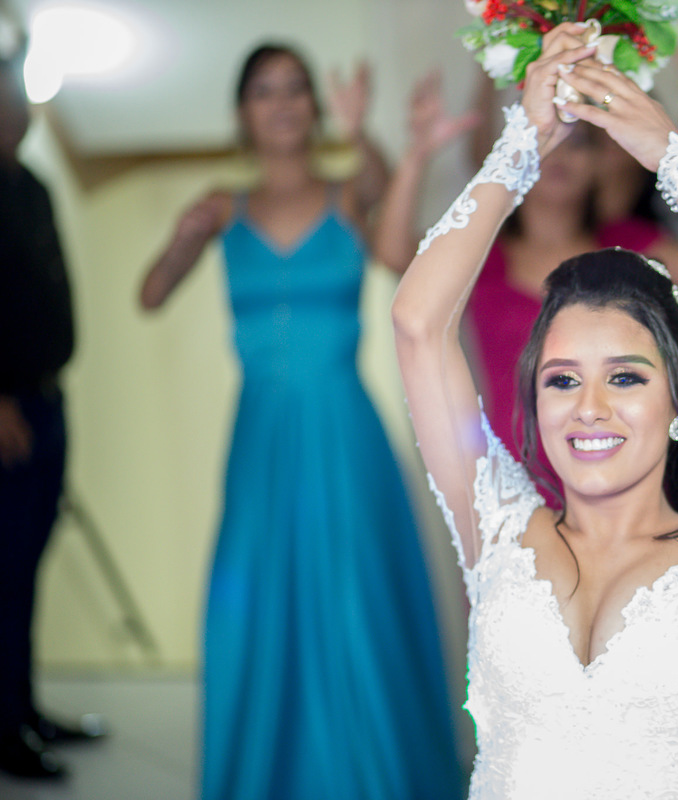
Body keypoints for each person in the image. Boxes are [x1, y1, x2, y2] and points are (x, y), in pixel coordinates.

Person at [391, 22, 678, 799]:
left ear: (677, 400)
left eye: (624, 378)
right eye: (561, 381)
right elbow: (418, 324)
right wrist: (522, 143)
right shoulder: (499, 528)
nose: (589, 408)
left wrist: (674, 155)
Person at [140, 44, 459, 799]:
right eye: (264, 90)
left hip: (345, 434)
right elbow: (150, 295)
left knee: (357, 604)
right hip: (260, 438)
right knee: (256, 603)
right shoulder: (222, 207)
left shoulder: (349, 192)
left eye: (294, 88)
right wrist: (183, 238)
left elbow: (387, 202)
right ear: (241, 112)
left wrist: (362, 132)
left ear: (314, 104)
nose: (281, 103)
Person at [378, 83, 678, 460]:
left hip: (615, 458)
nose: (560, 155)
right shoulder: (482, 253)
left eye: (578, 142)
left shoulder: (627, 245)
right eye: (546, 140)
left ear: (600, 160)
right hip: (516, 467)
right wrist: (417, 154)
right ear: (515, 154)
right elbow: (393, 254)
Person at [0, 49, 106, 781]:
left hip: (46, 400)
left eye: (20, 98)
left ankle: (24, 709)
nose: (17, 111)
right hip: (7, 410)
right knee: (6, 570)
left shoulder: (31, 186)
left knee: (29, 562)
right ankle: (7, 729)